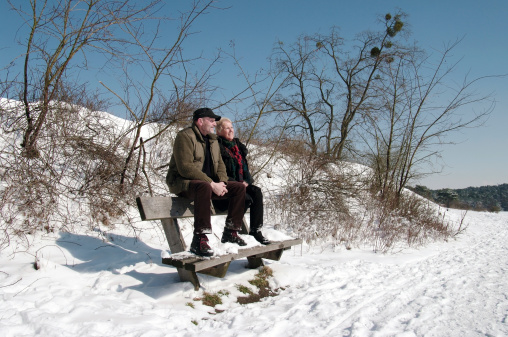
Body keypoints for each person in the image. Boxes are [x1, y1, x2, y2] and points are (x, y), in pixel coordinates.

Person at [166, 108, 248, 257]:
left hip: (207, 185)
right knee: (203, 186)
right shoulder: (185, 136)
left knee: (238, 188)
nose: (214, 123)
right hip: (184, 183)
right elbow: (185, 168)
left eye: (215, 121)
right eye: (211, 120)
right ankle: (199, 239)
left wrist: (222, 182)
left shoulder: (213, 140)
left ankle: (231, 231)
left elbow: (220, 164)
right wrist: (211, 183)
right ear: (200, 121)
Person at [214, 118, 271, 245]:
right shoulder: (216, 146)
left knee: (256, 192)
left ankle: (256, 230)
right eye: (227, 128)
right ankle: (229, 232)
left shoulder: (237, 147)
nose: (231, 130)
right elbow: (218, 172)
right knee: (246, 198)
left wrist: (247, 181)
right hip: (226, 187)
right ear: (218, 131)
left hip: (240, 185)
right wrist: (237, 184)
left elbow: (245, 169)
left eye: (232, 127)